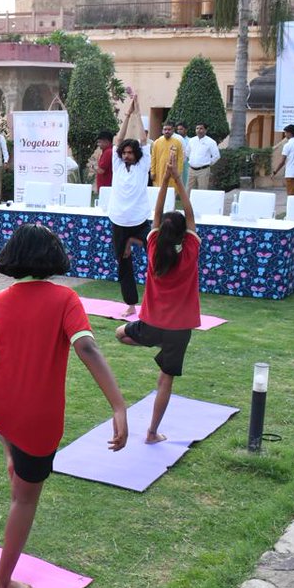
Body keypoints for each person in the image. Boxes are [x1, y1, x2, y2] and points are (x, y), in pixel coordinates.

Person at [0, 223, 128, 588]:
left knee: (12, 433)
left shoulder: (1, 300)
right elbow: (88, 349)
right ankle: (1, 584)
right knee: (25, 499)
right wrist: (119, 405)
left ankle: (12, 455)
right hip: (32, 417)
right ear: (52, 257)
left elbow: (5, 356)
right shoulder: (64, 300)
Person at [116, 146, 200, 444]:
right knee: (166, 380)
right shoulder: (189, 249)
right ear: (182, 234)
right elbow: (189, 216)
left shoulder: (153, 247)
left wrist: (164, 181)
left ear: (160, 231)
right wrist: (178, 178)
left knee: (119, 333)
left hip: (153, 325)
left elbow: (156, 215)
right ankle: (151, 433)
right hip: (179, 331)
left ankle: (155, 346)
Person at [108, 99, 151, 317]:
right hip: (118, 221)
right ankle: (131, 304)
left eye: (130, 153)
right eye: (124, 153)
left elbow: (143, 140)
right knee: (124, 264)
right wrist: (126, 115)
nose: (126, 155)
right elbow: (118, 140)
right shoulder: (117, 165)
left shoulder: (143, 165)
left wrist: (137, 111)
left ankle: (158, 299)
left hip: (140, 221)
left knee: (156, 257)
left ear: (136, 155)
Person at [149, 120, 185, 192]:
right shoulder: (157, 142)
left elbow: (180, 159)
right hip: (159, 172)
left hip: (172, 174)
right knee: (159, 192)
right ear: (162, 130)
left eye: (169, 129)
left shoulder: (177, 142)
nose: (167, 131)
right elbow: (153, 158)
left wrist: (178, 173)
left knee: (171, 193)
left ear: (173, 130)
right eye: (165, 129)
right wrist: (152, 172)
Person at [186, 122, 221, 192]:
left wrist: (208, 163)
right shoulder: (191, 140)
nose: (199, 130)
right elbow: (187, 153)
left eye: (201, 128)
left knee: (202, 191)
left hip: (203, 171)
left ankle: (200, 203)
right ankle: (188, 203)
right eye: (197, 128)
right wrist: (194, 161)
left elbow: (216, 156)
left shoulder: (211, 142)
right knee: (188, 190)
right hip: (191, 170)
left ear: (205, 130)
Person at [93, 130, 114, 198]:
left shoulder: (108, 152)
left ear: (106, 141)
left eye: (99, 142)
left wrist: (93, 166)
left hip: (106, 186)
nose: (98, 144)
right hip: (106, 186)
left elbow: (101, 171)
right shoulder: (107, 151)